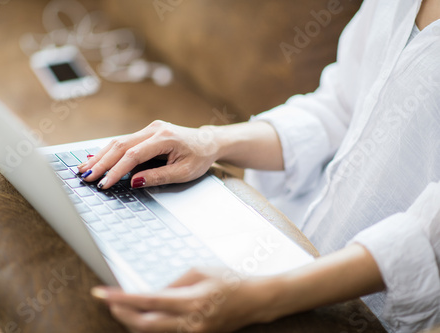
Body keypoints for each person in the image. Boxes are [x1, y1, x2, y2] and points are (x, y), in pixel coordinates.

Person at [78, 0, 440, 332]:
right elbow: (342, 107)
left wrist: (261, 298)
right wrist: (210, 141)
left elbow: (427, 239)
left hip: (361, 310)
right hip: (278, 244)